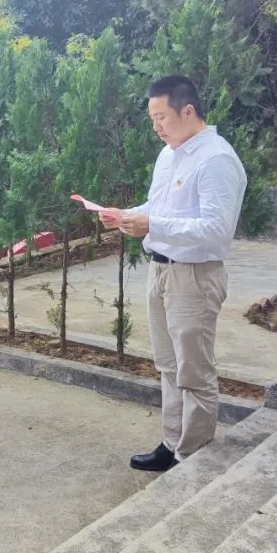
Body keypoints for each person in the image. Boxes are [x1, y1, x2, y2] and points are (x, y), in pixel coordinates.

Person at [101, 75, 246, 471]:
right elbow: (159, 207)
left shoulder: (216, 159)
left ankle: (193, 455)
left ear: (188, 110)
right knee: (168, 365)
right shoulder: (169, 155)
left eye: (161, 117)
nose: (156, 127)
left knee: (194, 371)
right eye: (152, 119)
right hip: (162, 270)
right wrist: (127, 216)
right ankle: (172, 443)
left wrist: (152, 225)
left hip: (194, 276)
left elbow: (217, 229)